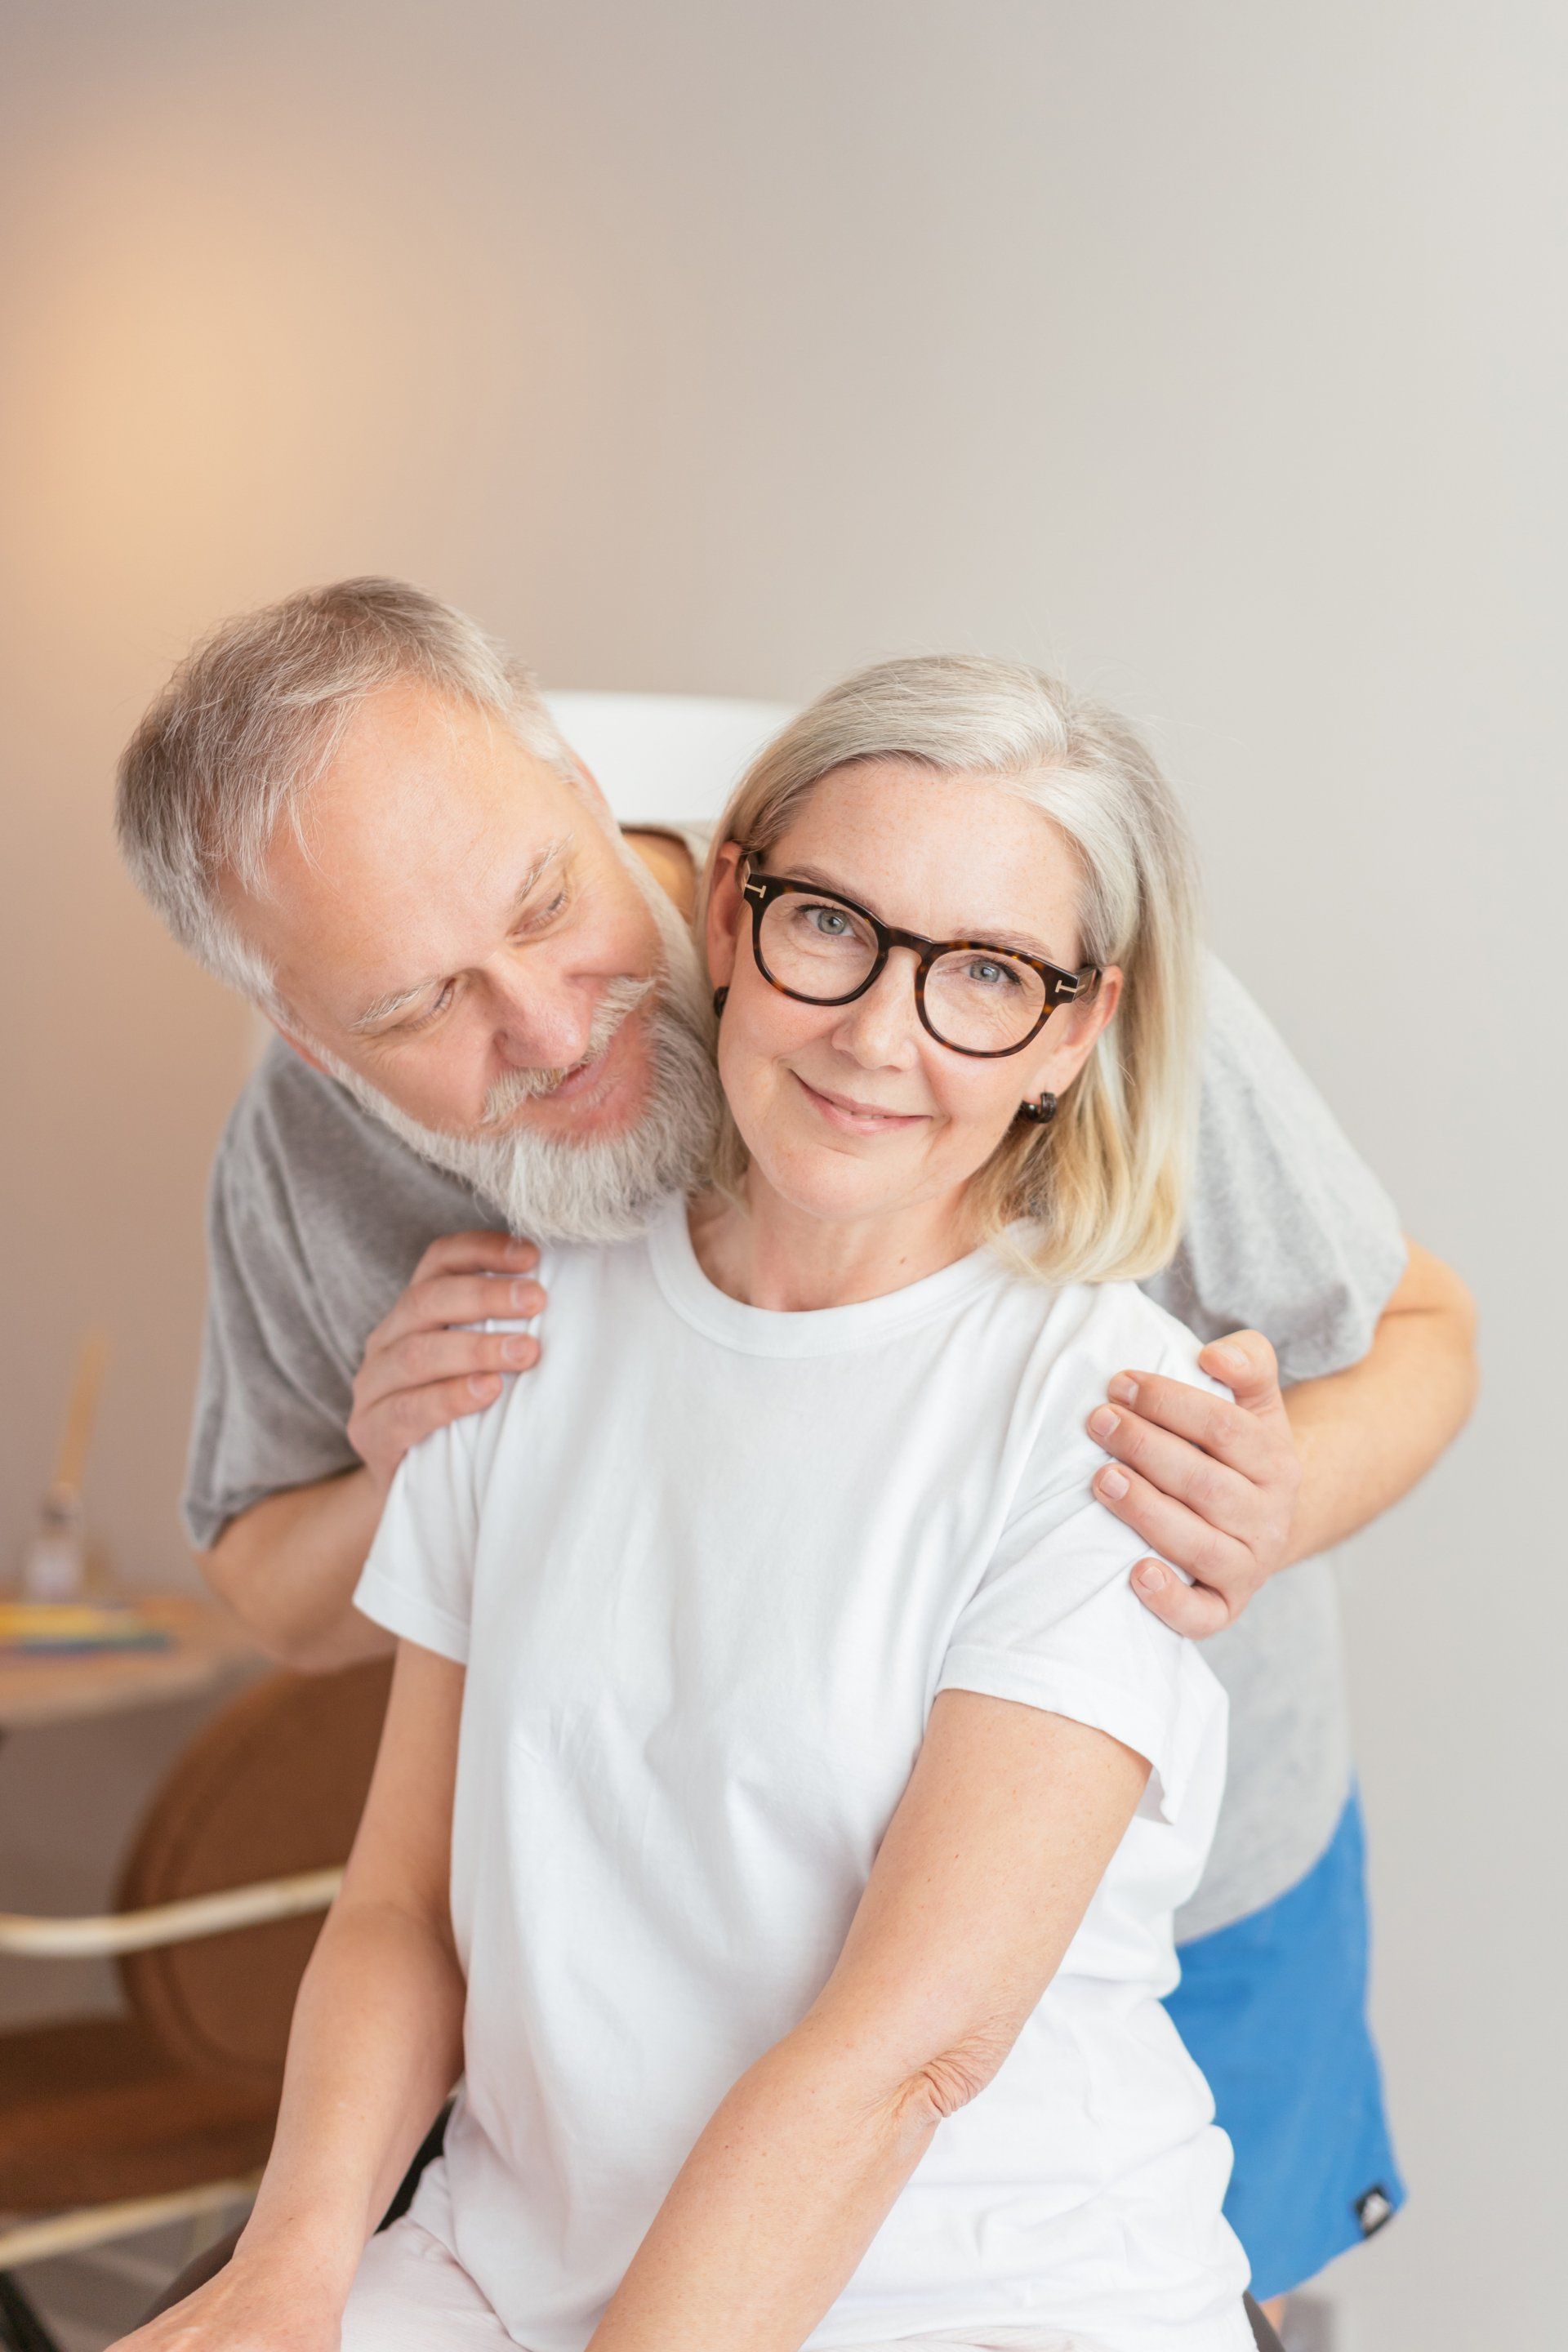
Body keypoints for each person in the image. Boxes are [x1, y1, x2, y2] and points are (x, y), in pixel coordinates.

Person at [115, 586, 1477, 2323]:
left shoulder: (983, 938)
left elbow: (1425, 1331)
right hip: (647, 1945)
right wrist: (426, 1466)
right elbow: (298, 1638)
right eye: (418, 1006)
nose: (547, 1030)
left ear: (592, 793)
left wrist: (1238, 1514)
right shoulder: (431, 1260)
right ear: (317, 1041)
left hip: (1157, 1898)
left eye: (546, 905)